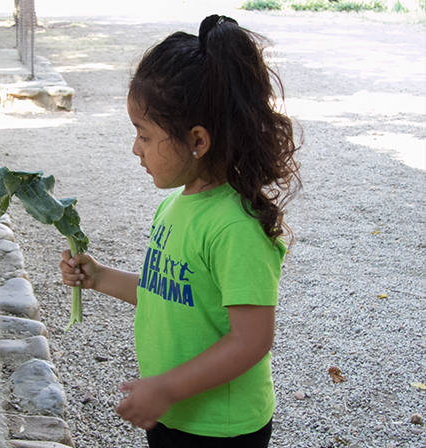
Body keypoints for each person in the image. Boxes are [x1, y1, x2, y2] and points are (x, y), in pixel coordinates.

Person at [58, 15, 301, 448]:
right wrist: (100, 277)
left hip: (221, 429)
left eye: (145, 135)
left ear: (198, 141)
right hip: (173, 414)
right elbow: (169, 293)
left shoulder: (235, 226)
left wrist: (167, 388)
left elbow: (252, 339)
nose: (136, 148)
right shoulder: (176, 205)